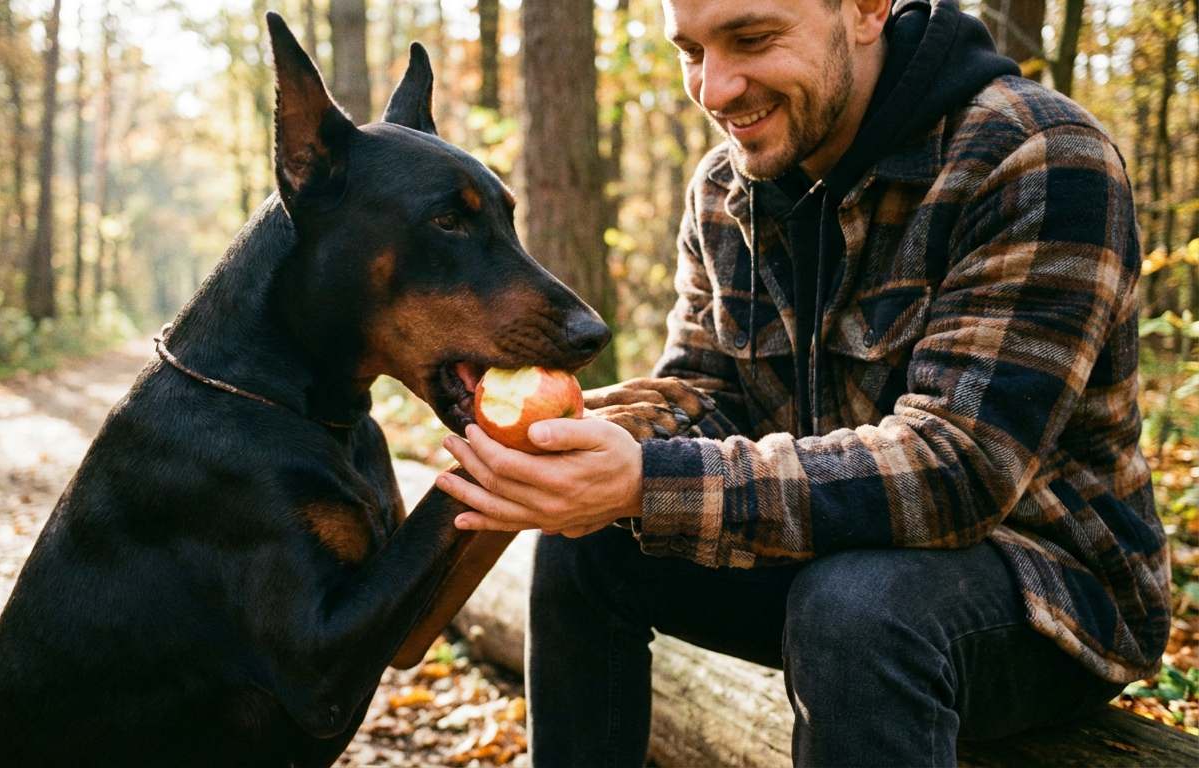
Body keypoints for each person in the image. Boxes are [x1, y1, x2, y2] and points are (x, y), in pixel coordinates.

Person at [435, 0, 1169, 765]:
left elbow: (961, 468)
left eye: (750, 38)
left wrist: (648, 481)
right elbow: (704, 394)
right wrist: (591, 448)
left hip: (1046, 594)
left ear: (865, 9)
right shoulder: (727, 187)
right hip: (823, 552)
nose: (715, 89)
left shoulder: (1035, 156)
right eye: (690, 51)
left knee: (854, 609)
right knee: (586, 539)